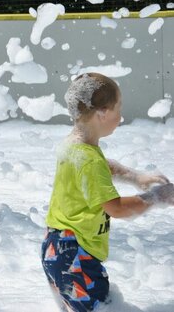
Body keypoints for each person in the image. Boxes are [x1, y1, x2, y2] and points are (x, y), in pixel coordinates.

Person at [41, 72, 174, 311]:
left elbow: (104, 166)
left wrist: (135, 177)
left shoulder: (74, 146)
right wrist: (157, 197)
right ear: (102, 112)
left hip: (55, 247)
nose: (120, 117)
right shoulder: (89, 160)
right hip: (75, 255)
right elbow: (117, 208)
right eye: (118, 108)